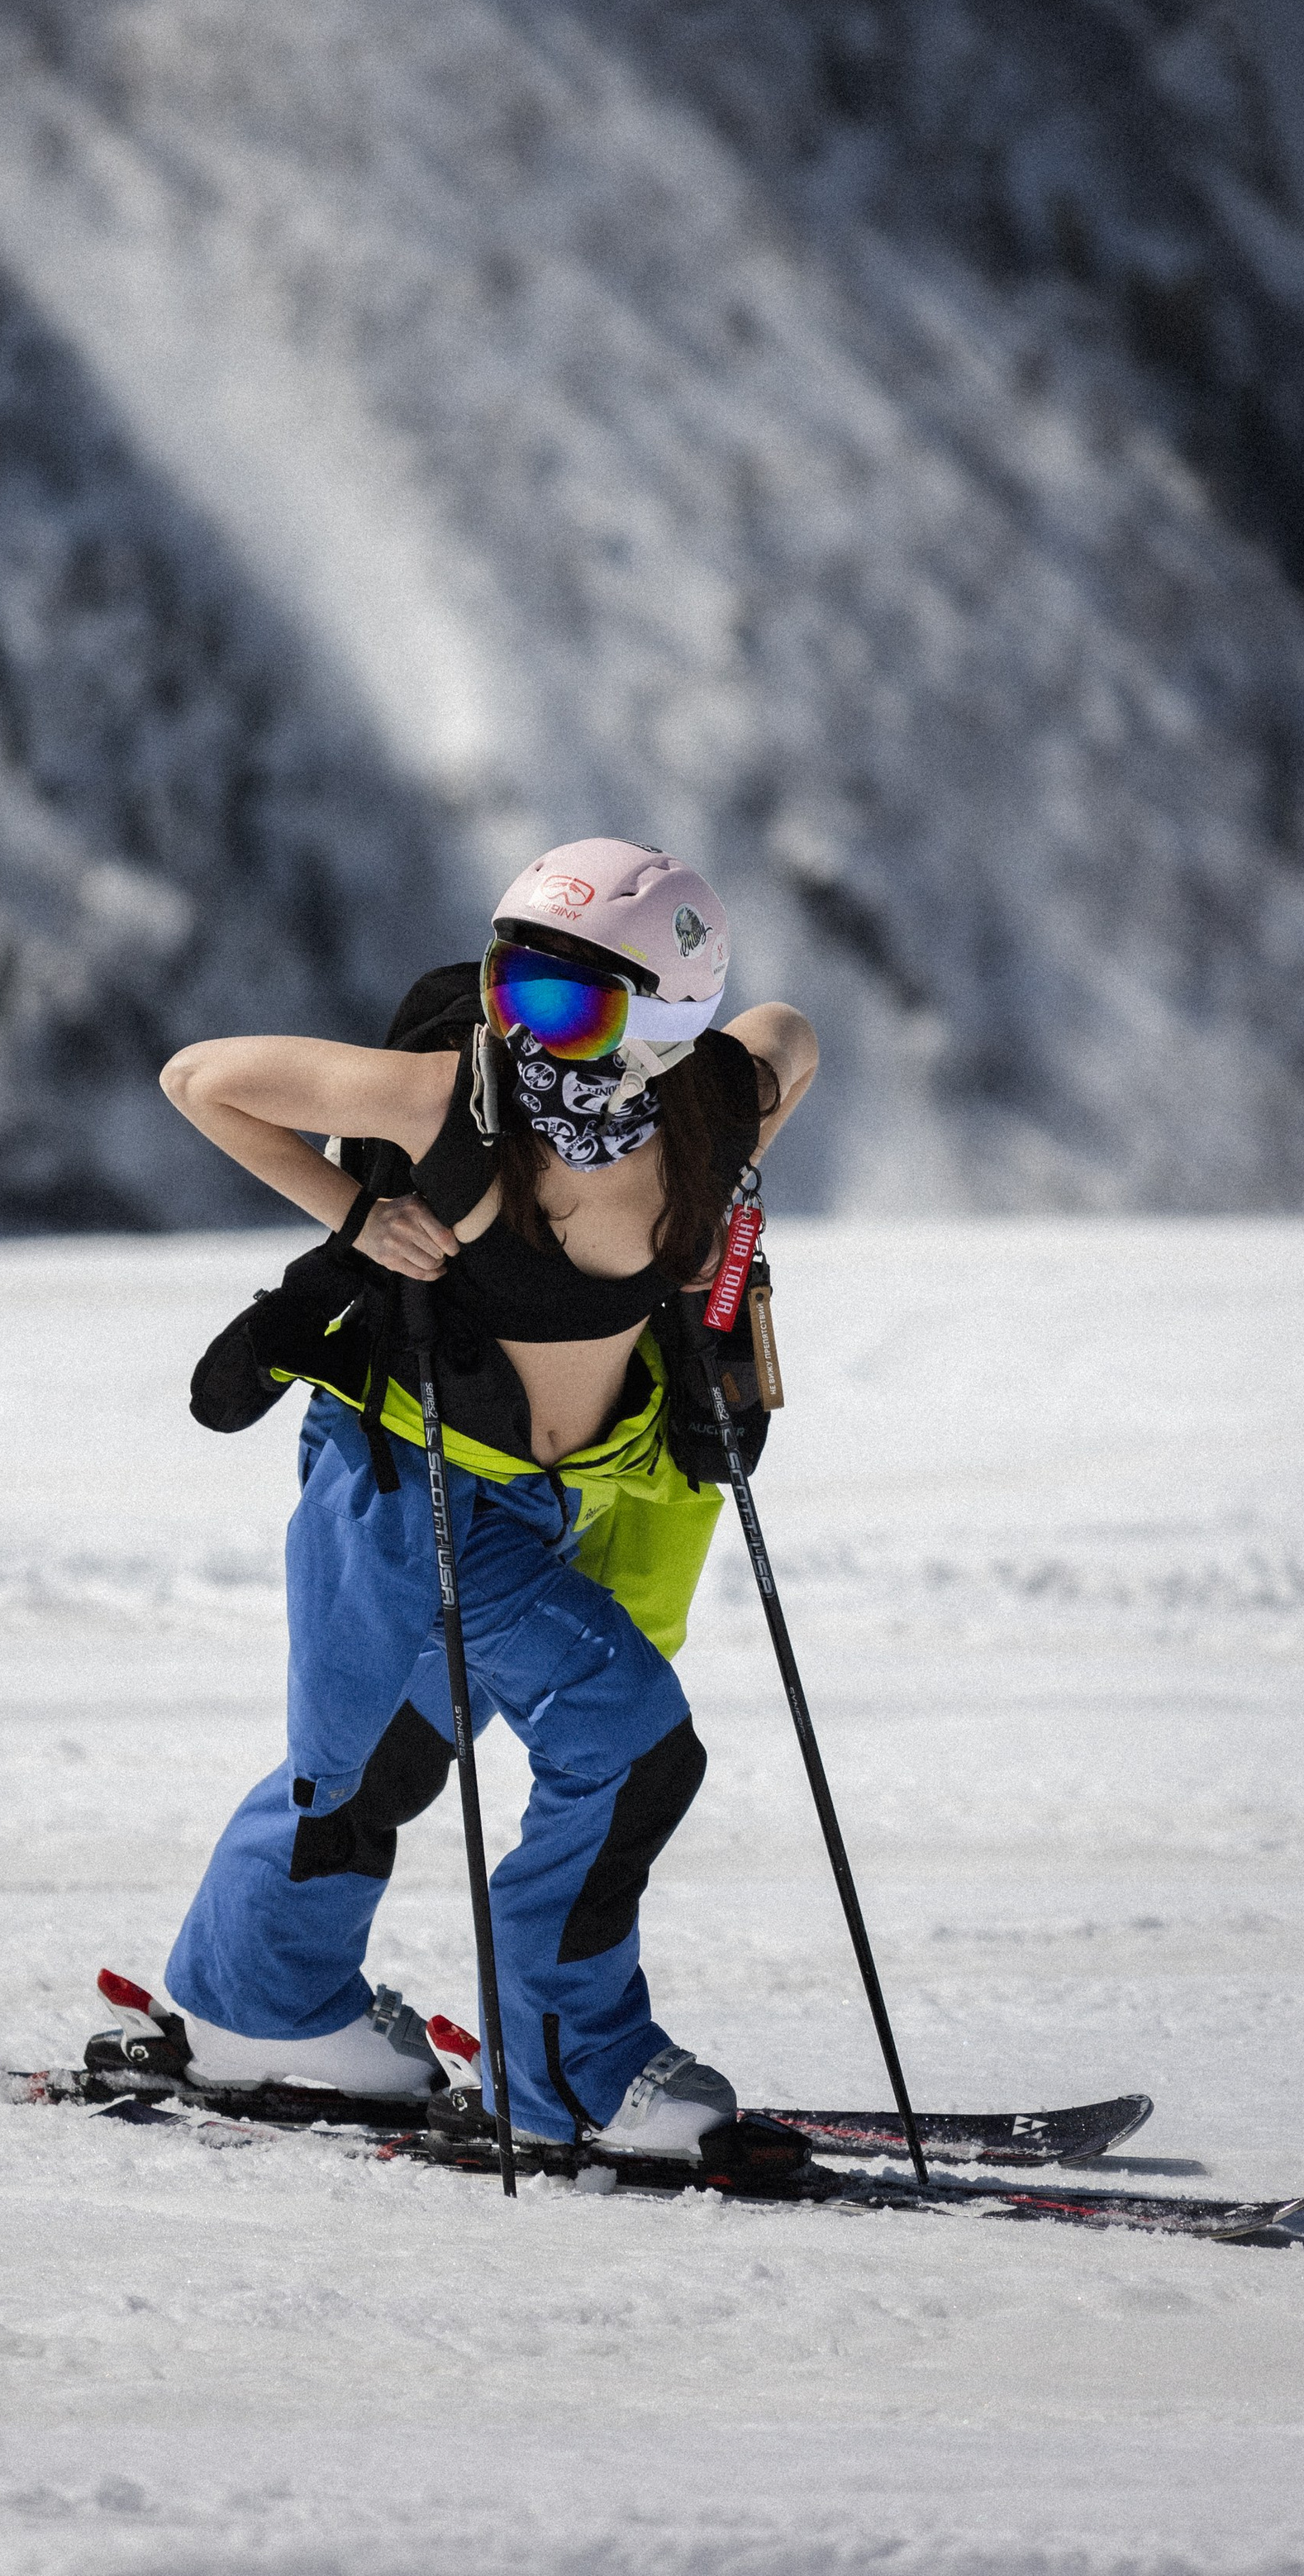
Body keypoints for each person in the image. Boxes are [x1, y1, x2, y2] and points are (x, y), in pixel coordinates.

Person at [156, 838, 818, 2159]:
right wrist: (352, 1215)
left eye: (573, 1009)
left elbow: (789, 1038)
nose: (526, 1032)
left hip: (549, 1498)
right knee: (631, 1747)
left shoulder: (706, 1110)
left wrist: (728, 1192)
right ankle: (575, 2073)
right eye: (513, 987)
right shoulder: (447, 1103)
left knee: (387, 1755)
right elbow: (202, 1079)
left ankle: (260, 2006)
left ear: (670, 1024)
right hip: (409, 1483)